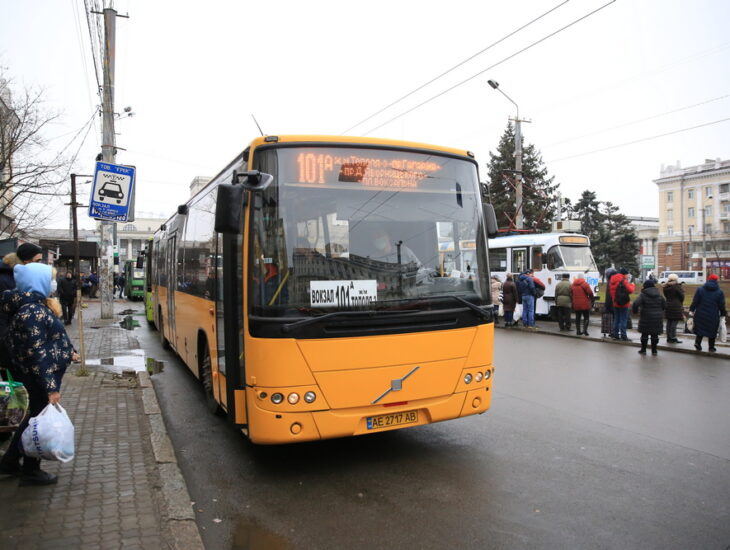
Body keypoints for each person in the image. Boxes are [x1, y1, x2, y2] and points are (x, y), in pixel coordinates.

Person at [0, 262, 78, 485]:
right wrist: (50, 387)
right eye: (50, 278)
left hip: (36, 375)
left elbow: (47, 339)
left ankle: (11, 462)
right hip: (39, 378)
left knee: (32, 419)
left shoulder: (32, 305)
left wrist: (68, 351)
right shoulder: (32, 311)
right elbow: (37, 352)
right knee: (36, 422)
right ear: (39, 282)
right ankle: (31, 470)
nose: (53, 282)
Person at [690, 273, 727, 352]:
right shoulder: (720, 292)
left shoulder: (700, 289)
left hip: (700, 313)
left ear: (708, 280)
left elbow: (695, 301)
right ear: (716, 281)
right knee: (712, 330)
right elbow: (722, 304)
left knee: (700, 329)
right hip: (713, 314)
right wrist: (723, 313)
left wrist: (692, 310)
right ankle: (711, 347)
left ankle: (698, 343)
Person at [632, 279, 666, 355]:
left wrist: (635, 312)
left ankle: (643, 350)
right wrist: (660, 311)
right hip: (657, 318)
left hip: (646, 317)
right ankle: (654, 351)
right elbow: (664, 305)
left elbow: (635, 304)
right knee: (655, 335)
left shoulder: (643, 295)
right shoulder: (659, 295)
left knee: (644, 335)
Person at [609, 267, 635, 341]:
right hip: (623, 303)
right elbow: (630, 290)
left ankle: (615, 335)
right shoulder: (623, 281)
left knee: (616, 319)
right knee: (623, 319)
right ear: (624, 274)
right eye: (627, 274)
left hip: (615, 302)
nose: (627, 276)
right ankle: (623, 336)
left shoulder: (612, 280)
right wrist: (632, 285)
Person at [662, 273, 685, 344]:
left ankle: (669, 337)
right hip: (676, 305)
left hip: (668, 304)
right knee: (674, 322)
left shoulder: (665, 287)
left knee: (669, 322)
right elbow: (682, 296)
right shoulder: (676, 287)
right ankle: (673, 337)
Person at [602, 267, 617, 338]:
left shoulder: (610, 281)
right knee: (615, 318)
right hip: (617, 302)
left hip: (611, 303)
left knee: (614, 318)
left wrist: (607, 305)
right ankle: (614, 332)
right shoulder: (616, 280)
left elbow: (608, 295)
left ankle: (613, 332)